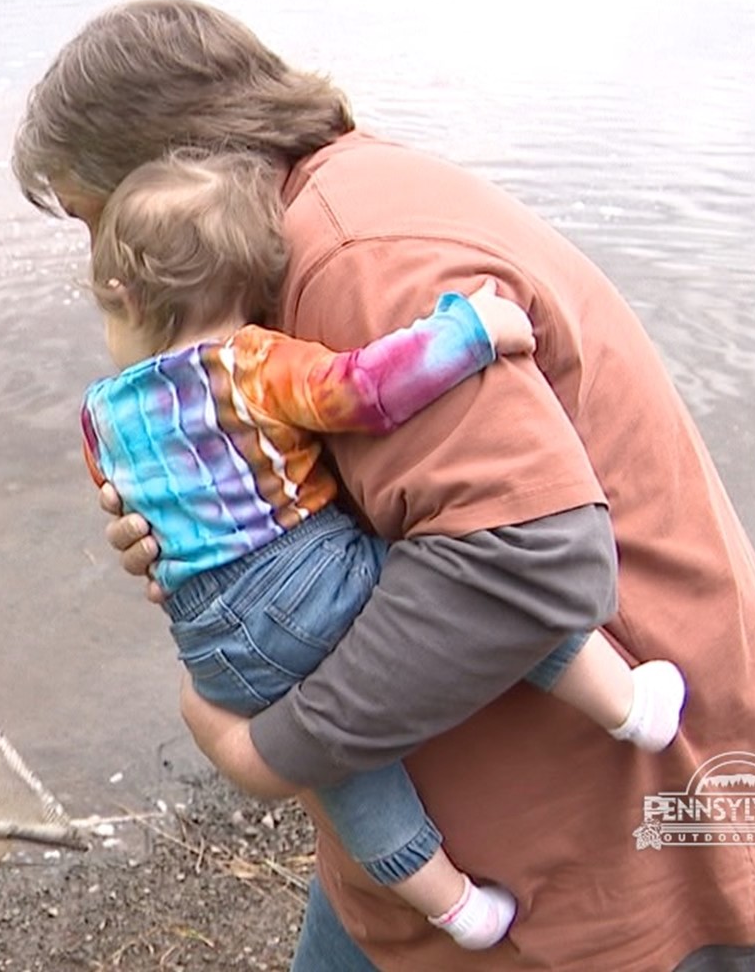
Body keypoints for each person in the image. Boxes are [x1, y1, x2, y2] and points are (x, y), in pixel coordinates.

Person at [15, 0, 755, 970]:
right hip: (487, 833)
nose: (106, 268)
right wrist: (213, 530)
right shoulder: (311, 233)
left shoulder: (360, 263)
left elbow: (529, 566)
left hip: (615, 843)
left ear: (166, 173)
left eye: (93, 218)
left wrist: (269, 752)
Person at [79, 149, 690, 952]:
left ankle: (456, 908)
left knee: (346, 773)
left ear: (123, 294)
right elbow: (363, 390)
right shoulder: (253, 361)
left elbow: (139, 512)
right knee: (478, 598)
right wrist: (471, 329)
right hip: (309, 583)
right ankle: (627, 707)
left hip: (215, 645)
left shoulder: (97, 414)